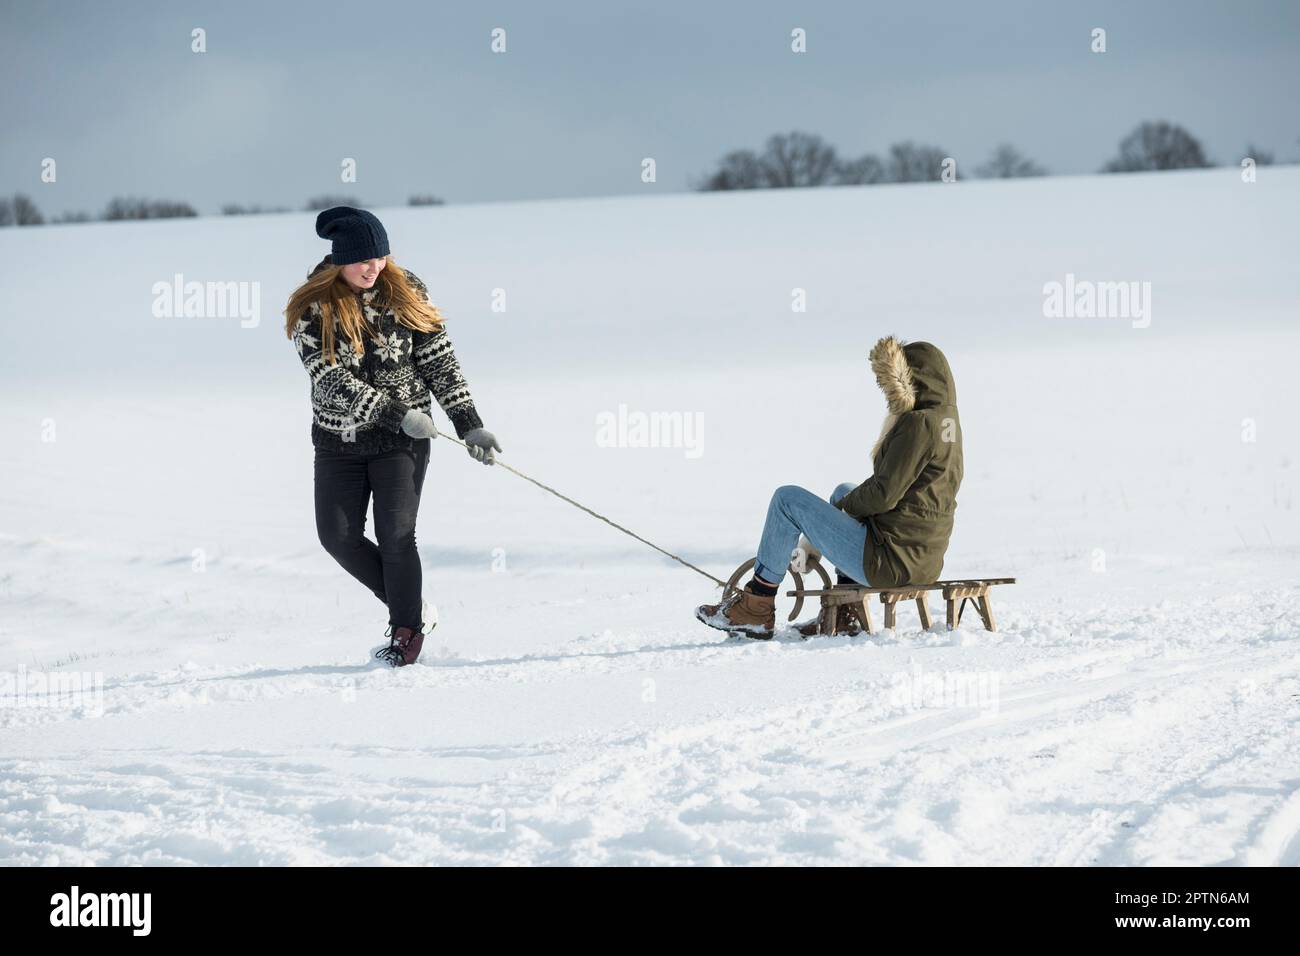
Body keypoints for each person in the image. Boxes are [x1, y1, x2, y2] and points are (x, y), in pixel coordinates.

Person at [283, 206, 501, 666]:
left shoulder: (405, 289)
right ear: (340, 259)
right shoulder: (311, 307)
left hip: (403, 443)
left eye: (380, 257)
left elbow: (439, 360)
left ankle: (406, 632)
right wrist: (395, 412)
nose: (373, 267)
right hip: (339, 441)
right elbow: (329, 379)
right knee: (337, 537)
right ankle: (413, 607)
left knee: (397, 535)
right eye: (363, 260)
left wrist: (469, 422)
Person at [696, 336, 963, 639]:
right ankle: (846, 613)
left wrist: (829, 522)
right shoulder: (947, 422)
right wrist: (835, 513)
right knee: (843, 490)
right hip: (921, 559)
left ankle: (756, 606)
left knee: (787, 499)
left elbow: (883, 495)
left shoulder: (919, 424)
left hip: (891, 563)